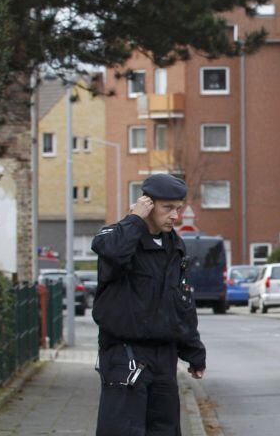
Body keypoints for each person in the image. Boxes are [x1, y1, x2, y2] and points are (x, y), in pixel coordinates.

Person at [91, 173, 206, 436]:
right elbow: (114, 253)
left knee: (164, 429)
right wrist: (134, 219)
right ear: (148, 204)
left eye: (178, 208)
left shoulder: (174, 246)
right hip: (125, 353)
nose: (175, 216)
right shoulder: (117, 235)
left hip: (163, 356)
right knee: (123, 430)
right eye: (167, 208)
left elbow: (180, 302)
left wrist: (193, 351)